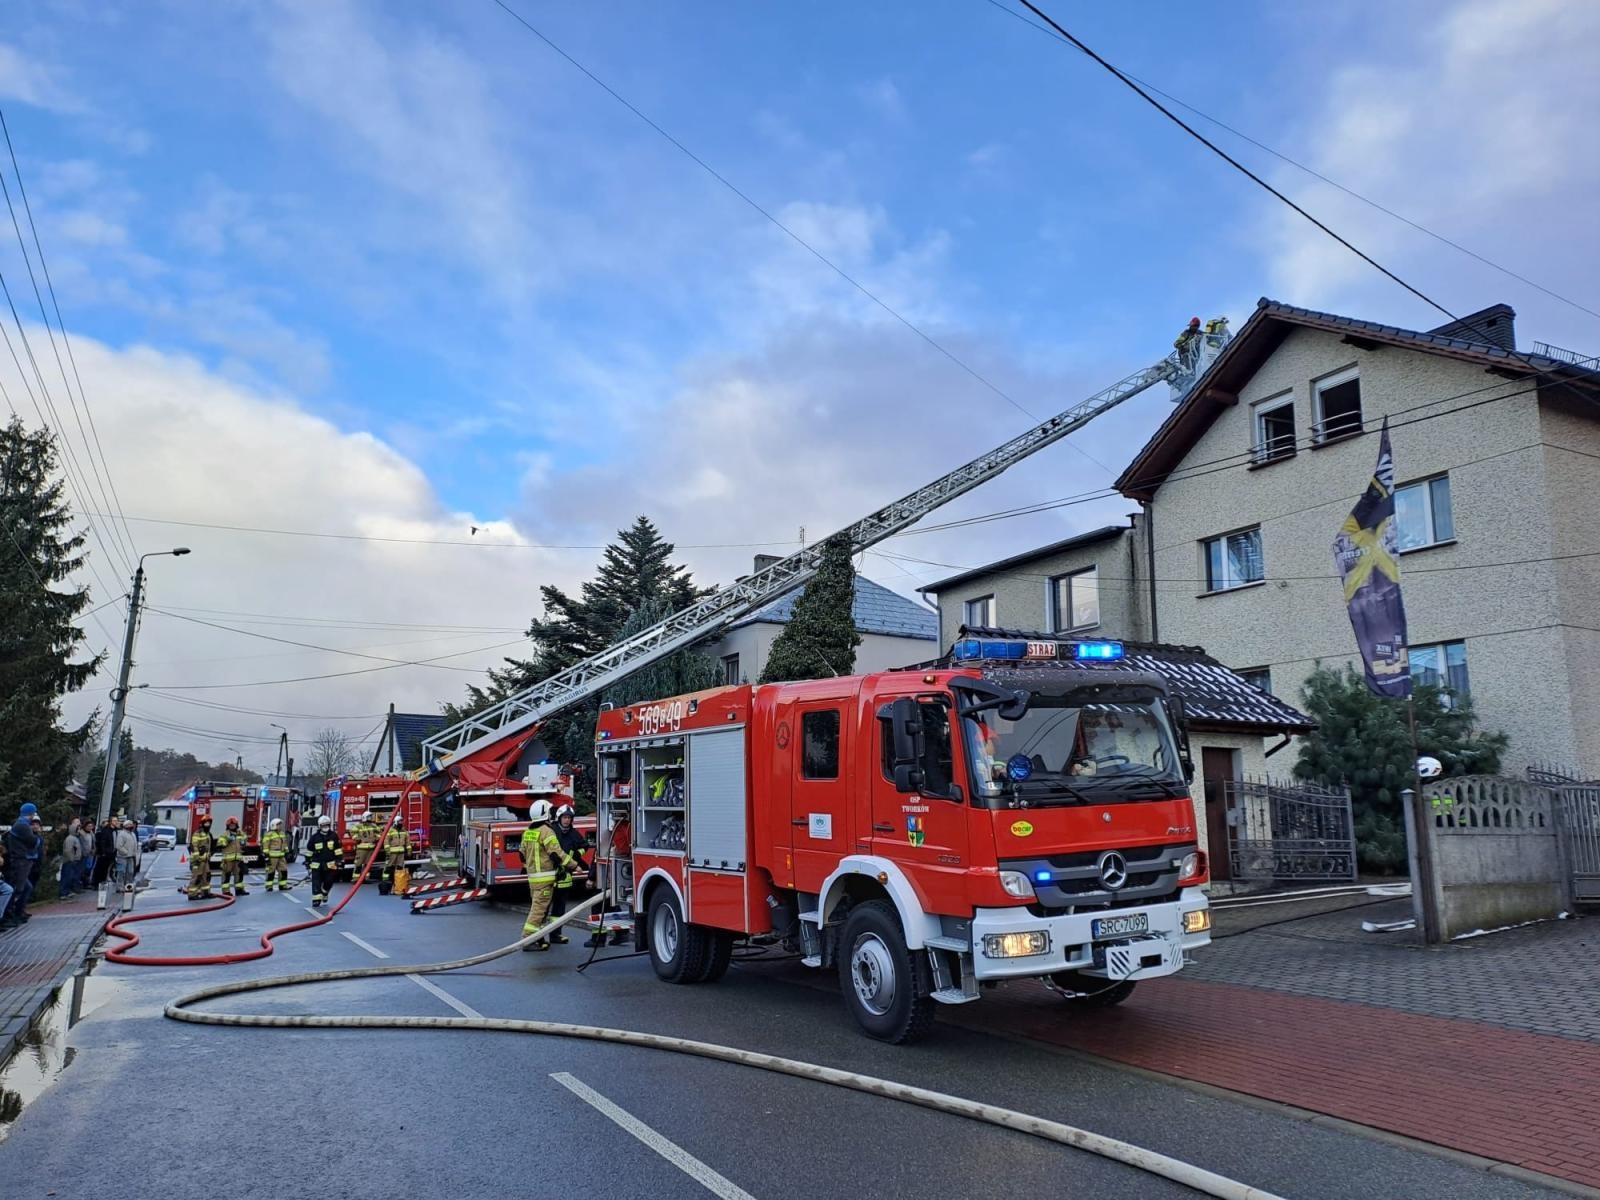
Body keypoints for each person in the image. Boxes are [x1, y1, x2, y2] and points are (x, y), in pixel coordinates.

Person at [519, 800, 584, 950]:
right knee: (538, 910)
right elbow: (557, 854)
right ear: (545, 814)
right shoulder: (546, 831)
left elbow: (521, 854)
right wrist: (575, 865)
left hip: (533, 879)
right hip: (545, 878)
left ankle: (539, 938)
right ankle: (528, 940)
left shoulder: (528, 832)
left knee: (541, 910)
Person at [548, 804, 590, 925]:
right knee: (544, 907)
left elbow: (585, 845)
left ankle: (556, 933)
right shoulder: (553, 831)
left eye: (569, 818)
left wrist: (576, 855)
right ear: (559, 818)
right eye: (565, 817)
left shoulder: (573, 833)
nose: (567, 820)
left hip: (565, 875)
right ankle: (539, 936)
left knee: (560, 906)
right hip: (550, 873)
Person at [305, 815, 343, 907]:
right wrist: (307, 861)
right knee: (316, 882)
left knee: (329, 881)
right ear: (319, 826)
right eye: (323, 825)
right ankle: (316, 900)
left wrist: (339, 860)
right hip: (317, 864)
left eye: (327, 825)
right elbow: (309, 850)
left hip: (330, 864)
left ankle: (325, 892)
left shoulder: (334, 836)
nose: (325, 827)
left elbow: (337, 849)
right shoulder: (314, 838)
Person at [216, 816, 248, 896]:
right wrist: (227, 840)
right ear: (228, 826)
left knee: (239, 875)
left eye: (233, 825)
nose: (232, 826)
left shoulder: (240, 833)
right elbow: (220, 844)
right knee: (226, 876)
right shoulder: (225, 835)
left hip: (238, 859)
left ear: (236, 825)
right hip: (228, 860)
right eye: (230, 825)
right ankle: (226, 892)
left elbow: (245, 841)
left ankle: (239, 890)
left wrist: (244, 842)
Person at [187, 816, 215, 900]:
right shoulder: (197, 833)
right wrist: (197, 857)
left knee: (206, 876)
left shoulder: (208, 834)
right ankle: (192, 894)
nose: (207, 825)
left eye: (209, 823)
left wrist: (210, 854)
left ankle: (206, 892)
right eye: (206, 823)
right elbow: (194, 846)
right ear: (202, 824)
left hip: (205, 860)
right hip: (198, 861)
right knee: (196, 877)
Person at [379, 820, 409, 895]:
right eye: (399, 822)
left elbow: (408, 842)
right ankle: (386, 884)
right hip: (392, 853)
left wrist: (409, 850)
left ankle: (398, 885)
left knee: (399, 869)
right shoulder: (390, 831)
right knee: (389, 868)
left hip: (401, 853)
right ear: (395, 822)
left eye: (401, 822)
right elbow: (386, 842)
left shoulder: (404, 831)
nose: (401, 824)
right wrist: (388, 851)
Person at [93, 816, 117, 908]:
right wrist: (103, 852)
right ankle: (97, 883)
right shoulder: (106, 831)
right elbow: (103, 842)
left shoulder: (114, 831)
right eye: (114, 821)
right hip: (105, 853)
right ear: (110, 822)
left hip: (111, 853)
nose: (116, 822)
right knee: (100, 868)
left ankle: (102, 883)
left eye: (116, 821)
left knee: (106, 869)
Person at [260, 819, 290, 892]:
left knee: (283, 870)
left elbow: (284, 843)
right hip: (272, 857)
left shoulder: (282, 834)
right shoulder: (269, 834)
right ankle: (269, 886)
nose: (280, 826)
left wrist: (286, 851)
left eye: (280, 825)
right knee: (271, 871)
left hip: (281, 857)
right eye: (278, 825)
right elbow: (265, 845)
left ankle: (283, 885)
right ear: (274, 825)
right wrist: (266, 856)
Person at [114, 819, 141, 895]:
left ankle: (129, 887)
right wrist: (126, 852)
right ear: (125, 826)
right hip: (122, 857)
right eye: (129, 825)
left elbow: (135, 844)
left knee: (130, 872)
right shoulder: (121, 834)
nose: (131, 826)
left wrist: (134, 852)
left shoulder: (133, 834)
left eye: (131, 825)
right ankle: (120, 887)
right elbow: (118, 846)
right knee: (121, 872)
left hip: (131, 856)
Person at [60, 817, 85, 898]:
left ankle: (67, 891)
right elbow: (68, 850)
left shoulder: (75, 838)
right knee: (67, 876)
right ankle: (63, 892)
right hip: (69, 861)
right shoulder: (70, 839)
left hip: (74, 860)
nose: (79, 830)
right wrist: (72, 859)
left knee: (70, 876)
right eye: (77, 829)